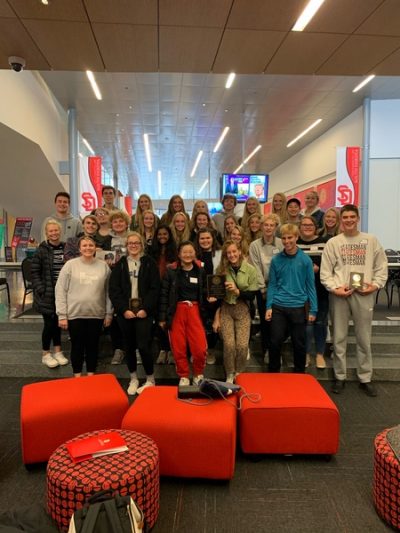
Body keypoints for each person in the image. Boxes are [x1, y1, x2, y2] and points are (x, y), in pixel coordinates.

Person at [320, 204, 388, 397]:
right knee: (339, 337)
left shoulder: (370, 240)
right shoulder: (334, 242)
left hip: (364, 294)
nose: (349, 220)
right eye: (345, 217)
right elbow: (326, 271)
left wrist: (375, 285)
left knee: (364, 338)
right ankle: (340, 377)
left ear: (358, 218)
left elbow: (381, 266)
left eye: (352, 217)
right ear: (341, 220)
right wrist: (335, 288)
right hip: (340, 294)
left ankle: (365, 377)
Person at [109, 232, 160, 395]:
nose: (133, 245)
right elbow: (114, 290)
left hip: (144, 313)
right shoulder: (121, 264)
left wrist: (146, 309)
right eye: (130, 243)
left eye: (136, 243)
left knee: (144, 346)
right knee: (129, 346)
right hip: (126, 313)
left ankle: (150, 379)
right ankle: (133, 378)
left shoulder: (150, 263)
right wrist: (124, 310)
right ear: (126, 245)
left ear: (141, 244)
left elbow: (155, 289)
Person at [55, 236, 113, 377]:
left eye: (90, 245)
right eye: (85, 245)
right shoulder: (70, 265)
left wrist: (108, 313)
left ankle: (91, 375)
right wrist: (62, 315)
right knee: (77, 347)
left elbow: (109, 292)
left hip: (96, 314)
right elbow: (60, 289)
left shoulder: (103, 266)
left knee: (93, 346)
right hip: (75, 314)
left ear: (95, 248)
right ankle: (77, 376)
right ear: (79, 248)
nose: (88, 248)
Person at [265, 223, 317, 374]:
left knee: (299, 343)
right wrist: (269, 307)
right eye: (284, 238)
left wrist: (313, 309)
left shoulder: (306, 260)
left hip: (299, 307)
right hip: (279, 306)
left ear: (296, 237)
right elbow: (272, 285)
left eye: (290, 238)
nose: (287, 241)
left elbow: (310, 287)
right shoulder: (276, 260)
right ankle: (273, 373)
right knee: (275, 341)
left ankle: (299, 374)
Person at [158, 241, 208, 386]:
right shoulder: (171, 271)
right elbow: (164, 294)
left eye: (190, 252)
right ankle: (184, 375)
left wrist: (210, 297)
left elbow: (204, 291)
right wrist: (162, 317)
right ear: (179, 254)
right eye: (184, 252)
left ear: (195, 254)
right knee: (178, 347)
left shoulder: (200, 271)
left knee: (199, 348)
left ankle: (198, 374)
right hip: (176, 312)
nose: (187, 255)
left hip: (195, 311)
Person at [215, 240, 258, 383]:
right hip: (226, 308)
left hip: (242, 308)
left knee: (242, 345)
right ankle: (229, 373)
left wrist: (237, 291)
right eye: (229, 253)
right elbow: (217, 296)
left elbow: (252, 295)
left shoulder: (251, 270)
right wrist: (213, 301)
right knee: (229, 344)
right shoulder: (221, 270)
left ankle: (239, 371)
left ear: (239, 252)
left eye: (234, 251)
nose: (232, 255)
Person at [31, 220, 68, 368]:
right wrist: (42, 289)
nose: (54, 233)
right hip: (47, 294)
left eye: (56, 230)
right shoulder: (41, 250)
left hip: (62, 293)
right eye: (51, 231)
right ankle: (46, 353)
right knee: (49, 324)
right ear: (47, 233)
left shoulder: (66, 248)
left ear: (60, 231)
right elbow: (34, 272)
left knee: (58, 322)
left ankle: (58, 351)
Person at [248, 214, 283, 362]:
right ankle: (267, 350)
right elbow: (255, 267)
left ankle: (277, 350)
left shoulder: (281, 243)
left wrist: (277, 287)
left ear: (276, 227)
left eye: (271, 225)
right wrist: (263, 288)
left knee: (279, 321)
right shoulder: (254, 245)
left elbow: (283, 265)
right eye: (266, 225)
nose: (268, 228)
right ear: (261, 227)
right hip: (262, 288)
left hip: (280, 288)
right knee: (265, 320)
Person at [297, 216, 329, 369]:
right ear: (299, 227)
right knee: (307, 324)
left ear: (315, 227)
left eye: (310, 225)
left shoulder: (325, 242)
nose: (307, 227)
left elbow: (332, 264)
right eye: (304, 225)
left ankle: (320, 354)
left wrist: (319, 269)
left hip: (321, 289)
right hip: (302, 291)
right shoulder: (296, 243)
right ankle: (307, 353)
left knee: (320, 323)